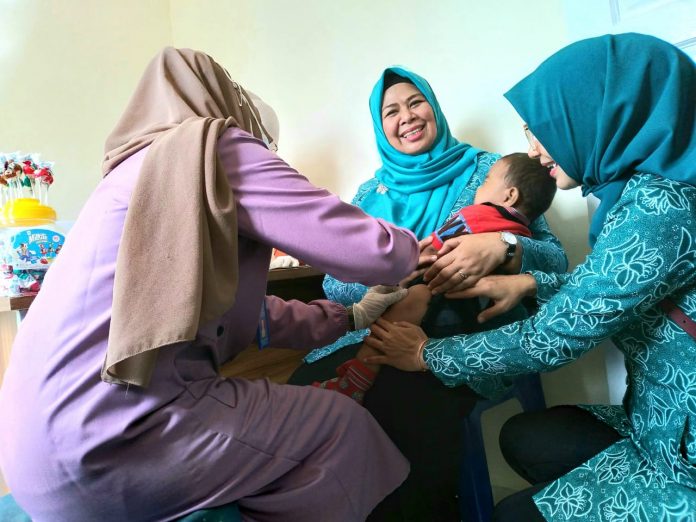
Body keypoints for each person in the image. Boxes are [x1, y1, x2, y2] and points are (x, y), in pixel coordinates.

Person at [0, 48, 422, 522]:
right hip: (105, 445)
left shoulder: (128, 180)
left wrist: (349, 316)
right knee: (340, 424)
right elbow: (374, 252)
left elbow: (240, 313)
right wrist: (414, 250)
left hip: (29, 455)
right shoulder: (212, 150)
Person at [363, 33, 696, 521]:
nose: (535, 151)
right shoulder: (630, 193)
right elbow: (608, 287)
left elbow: (559, 323)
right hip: (655, 415)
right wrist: (530, 284)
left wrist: (426, 351)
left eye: (541, 129)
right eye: (391, 111)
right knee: (523, 437)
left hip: (680, 447)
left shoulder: (658, 208)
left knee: (500, 504)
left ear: (600, 112)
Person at [289, 66, 568, 521]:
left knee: (398, 402)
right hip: (371, 331)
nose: (407, 117)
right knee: (303, 392)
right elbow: (334, 285)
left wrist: (504, 246)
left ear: (434, 107)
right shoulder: (368, 195)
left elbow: (555, 260)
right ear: (380, 126)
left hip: (463, 334)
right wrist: (389, 275)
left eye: (416, 102)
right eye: (391, 111)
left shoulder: (491, 171)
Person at [314, 152, 557, 403]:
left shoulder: (475, 213)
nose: (479, 187)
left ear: (510, 195)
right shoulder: (523, 231)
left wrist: (405, 263)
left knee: (401, 310)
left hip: (443, 300)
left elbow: (434, 244)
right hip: (477, 315)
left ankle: (357, 377)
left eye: (486, 181)